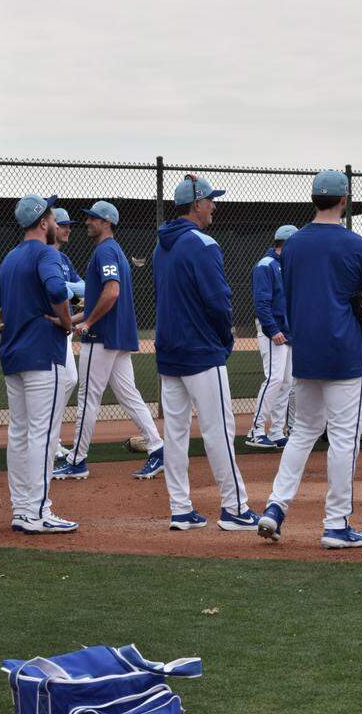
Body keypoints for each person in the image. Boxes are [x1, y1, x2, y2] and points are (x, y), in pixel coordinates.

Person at [257, 169, 362, 548]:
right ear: (344, 201)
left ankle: (275, 507)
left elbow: (292, 295)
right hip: (345, 350)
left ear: (313, 199)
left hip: (306, 350)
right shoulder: (359, 245)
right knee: (344, 438)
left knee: (302, 431)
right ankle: (336, 525)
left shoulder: (293, 244)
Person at [155, 175, 257, 531]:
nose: (214, 205)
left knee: (176, 433)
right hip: (201, 350)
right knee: (219, 431)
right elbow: (218, 301)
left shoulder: (161, 245)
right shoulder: (203, 244)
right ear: (196, 204)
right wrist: (223, 340)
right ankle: (235, 508)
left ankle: (180, 509)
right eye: (210, 199)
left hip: (169, 351)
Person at [53, 201, 165, 481]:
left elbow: (111, 292)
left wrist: (88, 323)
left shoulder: (105, 250)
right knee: (129, 395)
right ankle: (158, 448)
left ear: (106, 222)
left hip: (102, 336)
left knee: (88, 397)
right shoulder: (113, 251)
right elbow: (98, 300)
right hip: (116, 335)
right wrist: (71, 320)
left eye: (92, 218)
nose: (87, 222)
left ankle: (77, 460)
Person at [0, 194, 76, 534]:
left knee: (20, 434)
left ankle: (22, 509)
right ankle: (37, 511)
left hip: (14, 353)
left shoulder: (10, 258)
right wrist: (67, 323)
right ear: (43, 223)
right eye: (53, 217)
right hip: (43, 352)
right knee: (42, 435)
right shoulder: (46, 253)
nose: (57, 222)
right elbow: (58, 289)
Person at [245, 224, 297, 449]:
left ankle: (276, 431)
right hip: (272, 331)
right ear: (286, 244)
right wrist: (272, 329)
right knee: (274, 379)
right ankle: (255, 431)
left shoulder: (286, 266)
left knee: (286, 382)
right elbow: (261, 302)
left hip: (287, 331)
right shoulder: (265, 265)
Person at [50, 204, 84, 463]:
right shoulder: (45, 255)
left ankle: (51, 439)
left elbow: (84, 287)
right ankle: (50, 440)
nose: (68, 229)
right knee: (65, 380)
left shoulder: (65, 260)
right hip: (52, 328)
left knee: (68, 380)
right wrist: (67, 289)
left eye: (70, 225)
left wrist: (67, 287)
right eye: (63, 225)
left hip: (66, 327)